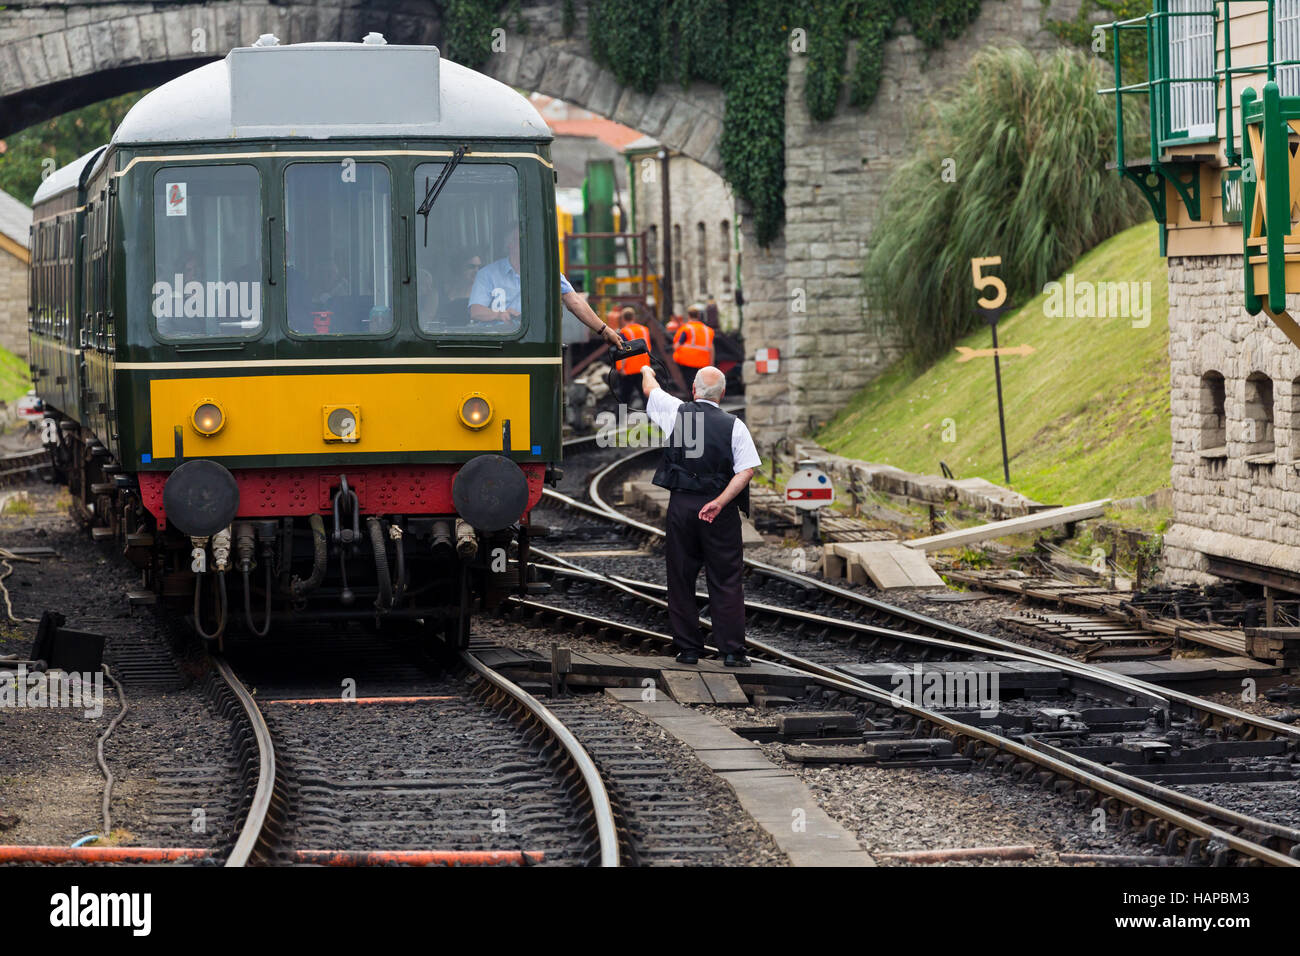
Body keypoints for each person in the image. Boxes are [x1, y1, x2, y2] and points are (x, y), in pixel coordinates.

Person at [640, 363, 760, 667]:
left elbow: (650, 390)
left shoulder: (676, 411)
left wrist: (645, 368)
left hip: (682, 507)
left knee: (680, 577)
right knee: (726, 579)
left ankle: (689, 650)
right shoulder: (735, 425)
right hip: (718, 511)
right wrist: (719, 503)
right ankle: (732, 651)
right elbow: (745, 471)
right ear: (722, 394)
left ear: (694, 390)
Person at [469, 223, 620, 346]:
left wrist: (605, 330)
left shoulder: (547, 273)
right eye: (520, 240)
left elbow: (574, 302)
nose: (525, 244)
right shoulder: (488, 274)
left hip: (533, 345)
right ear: (510, 244)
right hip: (496, 346)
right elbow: (475, 311)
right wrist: (500, 315)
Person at [613, 306, 651, 408]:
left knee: (624, 397)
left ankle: (619, 420)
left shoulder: (624, 332)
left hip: (628, 370)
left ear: (623, 318)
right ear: (633, 317)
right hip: (643, 368)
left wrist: (621, 368)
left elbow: (624, 352)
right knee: (645, 395)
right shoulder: (644, 330)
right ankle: (652, 420)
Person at [672, 304, 715, 378]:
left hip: (686, 362)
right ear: (698, 316)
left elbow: (677, 346)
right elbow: (711, 348)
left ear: (688, 316)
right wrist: (711, 364)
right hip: (703, 363)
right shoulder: (708, 330)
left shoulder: (687, 328)